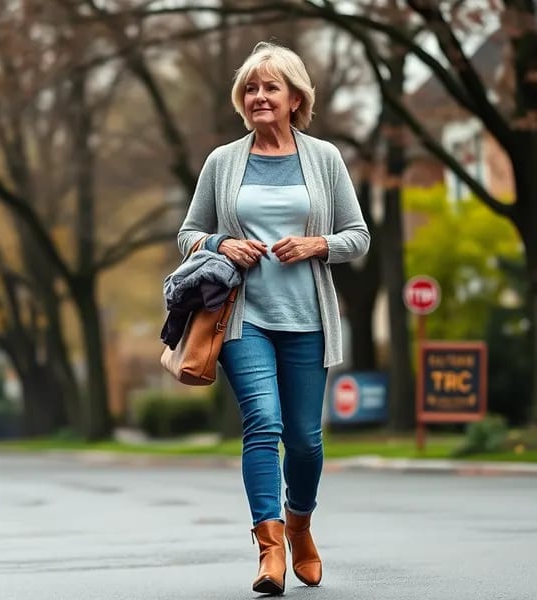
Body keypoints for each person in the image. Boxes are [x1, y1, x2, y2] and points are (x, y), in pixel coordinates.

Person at [177, 41, 370, 595]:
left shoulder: (325, 159)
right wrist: (221, 242)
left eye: (271, 88)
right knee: (263, 424)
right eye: (252, 88)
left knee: (306, 442)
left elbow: (358, 237)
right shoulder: (223, 162)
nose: (260, 96)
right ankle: (271, 548)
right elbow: (189, 234)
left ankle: (301, 523)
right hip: (241, 319)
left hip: (307, 319)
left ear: (294, 98)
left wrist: (316, 244)